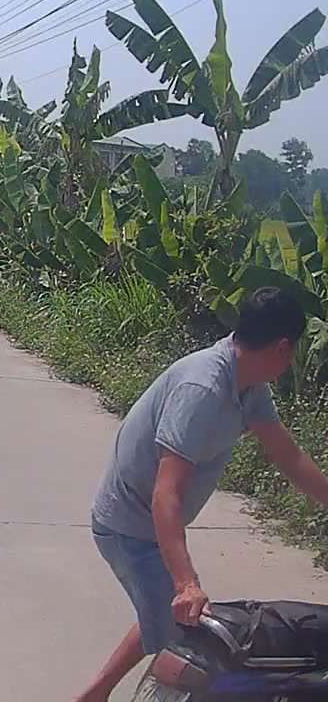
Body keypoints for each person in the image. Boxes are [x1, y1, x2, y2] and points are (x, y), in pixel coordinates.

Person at [78, 287, 328, 702]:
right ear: (283, 347)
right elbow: (166, 493)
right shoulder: (203, 388)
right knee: (187, 641)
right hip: (129, 525)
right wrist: (187, 583)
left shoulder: (248, 384)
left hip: (148, 523)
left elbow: (290, 458)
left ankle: (93, 695)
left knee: (167, 613)